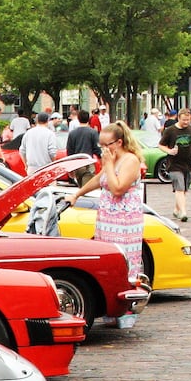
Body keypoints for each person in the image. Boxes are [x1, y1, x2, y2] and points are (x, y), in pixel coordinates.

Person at [64, 119, 145, 291]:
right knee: (107, 256)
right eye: (100, 145)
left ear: (119, 142)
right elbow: (98, 179)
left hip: (124, 220)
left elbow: (118, 188)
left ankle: (126, 300)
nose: (103, 149)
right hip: (107, 218)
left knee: (123, 258)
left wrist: (108, 164)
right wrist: (77, 194)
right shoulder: (112, 159)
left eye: (106, 145)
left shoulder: (130, 160)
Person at [158, 108, 191, 221]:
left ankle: (177, 210)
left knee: (184, 189)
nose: (186, 122)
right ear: (178, 118)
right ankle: (183, 212)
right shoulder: (171, 130)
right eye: (184, 120)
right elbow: (161, 145)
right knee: (179, 188)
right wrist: (169, 151)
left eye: (188, 120)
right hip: (174, 164)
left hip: (188, 164)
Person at [63, 109, 99, 185]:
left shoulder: (72, 133)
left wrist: (70, 168)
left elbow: (69, 152)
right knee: (87, 190)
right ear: (88, 119)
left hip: (77, 165)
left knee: (81, 188)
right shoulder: (93, 132)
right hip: (88, 164)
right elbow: (97, 149)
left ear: (78, 119)